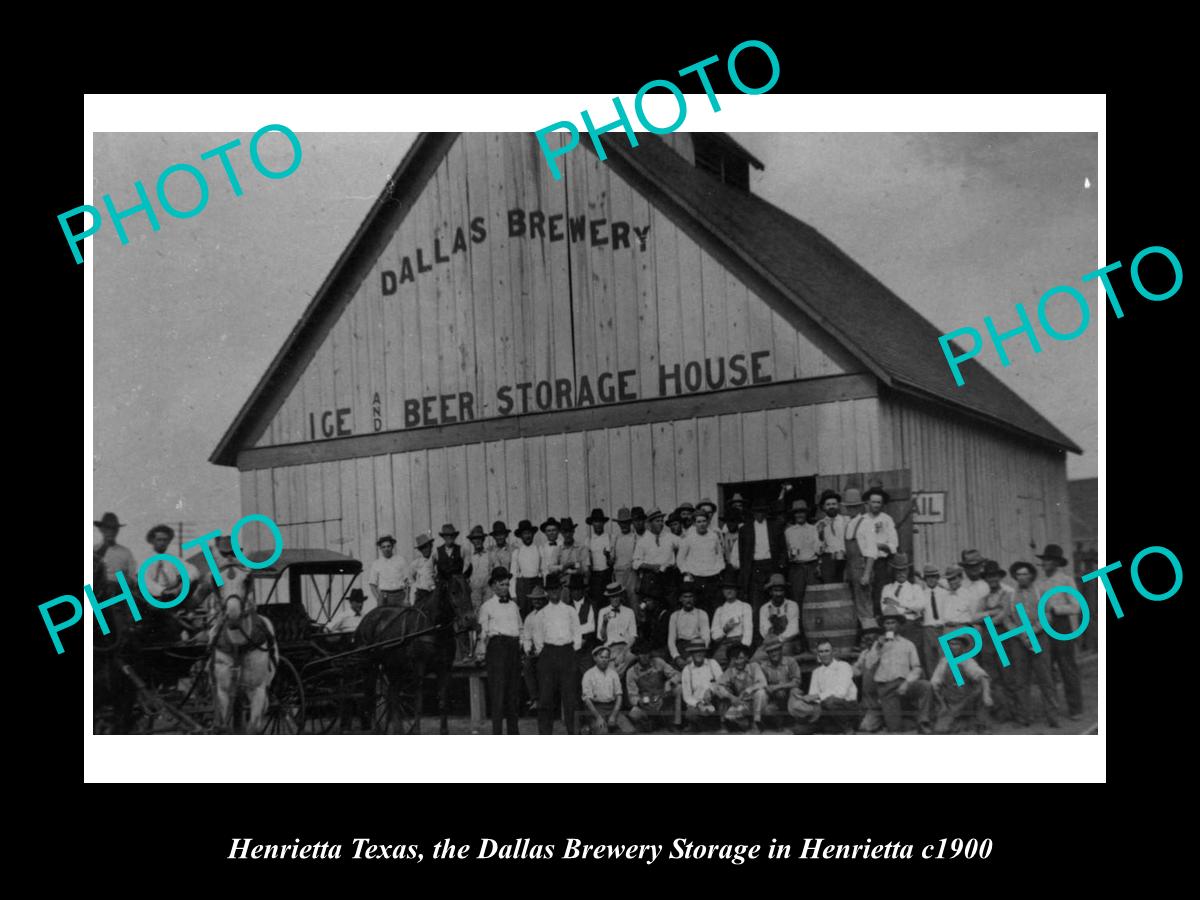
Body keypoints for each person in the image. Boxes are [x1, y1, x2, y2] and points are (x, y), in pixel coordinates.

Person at [998, 561, 1061, 728]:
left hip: (1040, 637)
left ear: (1031, 575)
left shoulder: (1041, 592)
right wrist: (1021, 634)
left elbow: (1048, 615)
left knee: (1045, 678)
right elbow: (1006, 619)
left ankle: (1052, 716)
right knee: (1021, 680)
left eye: (1025, 574)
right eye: (1019, 574)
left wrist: (1034, 630)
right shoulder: (1010, 596)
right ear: (1015, 577)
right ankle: (1024, 716)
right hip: (1019, 641)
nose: (1022, 577)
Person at [855, 607, 933, 734]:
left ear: (899, 625)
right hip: (886, 689)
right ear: (883, 626)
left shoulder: (907, 644)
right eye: (887, 623)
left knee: (926, 686)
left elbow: (917, 668)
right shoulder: (877, 644)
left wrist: (907, 682)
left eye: (893, 622)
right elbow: (869, 665)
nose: (890, 626)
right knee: (895, 729)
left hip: (904, 685)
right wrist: (879, 646)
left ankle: (923, 720)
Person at [1035, 542, 1083, 719]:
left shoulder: (1066, 580)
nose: (1045, 563)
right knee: (1047, 668)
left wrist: (1056, 610)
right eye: (1044, 560)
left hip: (1062, 626)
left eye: (1048, 560)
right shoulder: (1039, 583)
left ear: (1056, 562)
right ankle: (1051, 710)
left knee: (1067, 667)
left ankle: (1075, 708)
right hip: (1043, 626)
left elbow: (1077, 607)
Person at [529, 581, 582, 734]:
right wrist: (543, 651)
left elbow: (577, 632)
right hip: (548, 654)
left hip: (567, 653)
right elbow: (537, 636)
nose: (554, 592)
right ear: (547, 592)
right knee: (546, 698)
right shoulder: (542, 614)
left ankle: (574, 733)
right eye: (551, 590)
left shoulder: (570, 611)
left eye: (556, 589)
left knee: (570, 699)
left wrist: (573, 649)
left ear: (561, 590)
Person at [476, 567, 523, 734]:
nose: (506, 587)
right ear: (494, 585)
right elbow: (483, 633)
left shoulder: (513, 606)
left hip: (513, 650)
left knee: (513, 695)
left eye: (507, 584)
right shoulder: (487, 606)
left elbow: (520, 628)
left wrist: (521, 646)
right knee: (498, 695)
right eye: (502, 584)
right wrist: (481, 652)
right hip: (497, 649)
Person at [977, 559, 1020, 721]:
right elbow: (975, 616)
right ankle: (1000, 711)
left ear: (999, 577)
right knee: (992, 675)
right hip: (988, 639)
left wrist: (988, 617)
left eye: (994, 576)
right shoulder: (984, 598)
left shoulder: (1008, 594)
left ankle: (1015, 711)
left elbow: (1004, 615)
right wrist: (990, 613)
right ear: (986, 579)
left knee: (1008, 675)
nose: (992, 579)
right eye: (989, 577)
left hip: (1003, 637)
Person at [930, 634, 994, 734]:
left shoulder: (967, 660)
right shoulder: (943, 662)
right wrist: (942, 704)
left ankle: (980, 723)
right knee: (941, 730)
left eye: (957, 644)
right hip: (949, 701)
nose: (953, 647)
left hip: (967, 699)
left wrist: (986, 695)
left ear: (962, 647)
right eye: (951, 644)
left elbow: (983, 677)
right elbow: (934, 684)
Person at [738, 499, 785, 622]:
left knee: (774, 601)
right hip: (755, 568)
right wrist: (745, 575)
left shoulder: (775, 526)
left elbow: (782, 549)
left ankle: (776, 632)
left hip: (771, 566)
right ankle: (758, 637)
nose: (759, 515)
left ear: (766, 512)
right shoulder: (745, 529)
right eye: (757, 512)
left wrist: (780, 567)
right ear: (753, 513)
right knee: (756, 603)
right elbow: (743, 556)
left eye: (762, 512)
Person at [797, 639, 858, 733]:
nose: (824, 654)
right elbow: (813, 695)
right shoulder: (816, 672)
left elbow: (841, 693)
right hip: (826, 709)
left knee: (830, 701)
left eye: (827, 651)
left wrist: (818, 696)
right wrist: (807, 700)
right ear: (818, 655)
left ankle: (848, 729)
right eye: (821, 652)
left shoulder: (843, 666)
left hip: (847, 706)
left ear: (832, 652)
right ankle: (832, 727)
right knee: (799, 729)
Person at [676, 508, 725, 616]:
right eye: (699, 522)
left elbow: (719, 556)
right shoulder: (689, 538)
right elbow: (680, 559)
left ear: (707, 522)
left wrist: (719, 569)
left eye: (704, 521)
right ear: (694, 523)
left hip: (713, 577)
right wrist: (687, 572)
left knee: (714, 607)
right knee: (700, 608)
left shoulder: (714, 536)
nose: (702, 524)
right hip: (696, 578)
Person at [435, 523, 472, 661]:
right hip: (444, 588)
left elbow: (468, 564)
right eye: (446, 536)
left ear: (455, 537)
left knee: (461, 616)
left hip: (457, 585)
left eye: (451, 536)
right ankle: (446, 654)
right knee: (444, 617)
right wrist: (435, 582)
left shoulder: (461, 549)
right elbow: (429, 569)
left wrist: (461, 579)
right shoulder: (437, 551)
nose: (449, 538)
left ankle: (466, 653)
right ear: (443, 537)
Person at [625, 639, 681, 732]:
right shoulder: (631, 672)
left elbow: (677, 674)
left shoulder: (658, 662)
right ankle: (653, 722)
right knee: (634, 714)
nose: (645, 657)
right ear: (637, 655)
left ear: (650, 653)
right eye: (642, 654)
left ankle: (675, 724)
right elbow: (632, 695)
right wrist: (639, 702)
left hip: (662, 698)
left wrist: (669, 683)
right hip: (646, 702)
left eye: (647, 653)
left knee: (679, 688)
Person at [879, 554, 923, 668]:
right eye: (898, 570)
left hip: (910, 627)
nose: (901, 573)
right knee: (892, 657)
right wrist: (908, 610)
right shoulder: (887, 588)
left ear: (908, 571)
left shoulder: (915, 588)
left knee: (912, 658)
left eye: (903, 570)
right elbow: (886, 609)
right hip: (892, 627)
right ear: (894, 571)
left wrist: (898, 604)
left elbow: (919, 606)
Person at [712, 644, 768, 733]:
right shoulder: (730, 671)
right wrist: (731, 697)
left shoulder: (754, 666)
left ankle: (756, 722)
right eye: (735, 659)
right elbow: (718, 686)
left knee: (761, 692)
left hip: (756, 702)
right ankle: (740, 724)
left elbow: (763, 682)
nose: (738, 662)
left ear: (746, 657)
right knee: (729, 716)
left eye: (741, 658)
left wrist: (748, 690)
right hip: (742, 703)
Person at [841, 489, 875, 633]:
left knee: (864, 606)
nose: (851, 509)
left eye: (854, 506)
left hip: (862, 569)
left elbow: (872, 552)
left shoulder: (866, 523)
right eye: (849, 506)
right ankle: (860, 638)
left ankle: (870, 636)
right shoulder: (849, 524)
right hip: (851, 570)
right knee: (853, 605)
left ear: (860, 507)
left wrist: (866, 574)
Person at [632, 509, 678, 615]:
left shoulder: (669, 537)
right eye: (657, 521)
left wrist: (678, 560)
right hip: (652, 579)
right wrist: (651, 567)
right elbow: (635, 563)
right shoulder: (643, 541)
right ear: (650, 523)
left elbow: (685, 545)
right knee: (652, 609)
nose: (661, 524)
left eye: (662, 521)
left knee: (671, 608)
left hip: (669, 577)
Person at [862, 487, 899, 615]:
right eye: (873, 502)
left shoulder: (887, 519)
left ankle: (880, 617)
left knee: (880, 591)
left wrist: (881, 545)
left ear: (882, 504)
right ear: (868, 503)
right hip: (864, 562)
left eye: (879, 502)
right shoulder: (862, 520)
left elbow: (894, 544)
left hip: (881, 562)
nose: (876, 505)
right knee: (865, 591)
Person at [581, 646, 634, 734]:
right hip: (596, 709)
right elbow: (587, 700)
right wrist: (598, 717)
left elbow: (619, 696)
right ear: (595, 658)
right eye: (601, 657)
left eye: (606, 657)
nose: (604, 660)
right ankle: (590, 729)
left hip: (612, 708)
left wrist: (613, 715)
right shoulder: (588, 675)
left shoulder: (613, 674)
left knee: (630, 731)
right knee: (603, 732)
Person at [758, 635, 803, 728]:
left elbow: (797, 682)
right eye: (770, 651)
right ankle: (780, 721)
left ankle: (797, 719)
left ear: (781, 649)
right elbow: (762, 684)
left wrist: (779, 686)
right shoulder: (764, 666)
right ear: (767, 653)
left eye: (776, 650)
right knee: (767, 710)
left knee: (795, 691)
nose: (774, 653)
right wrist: (770, 689)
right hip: (776, 698)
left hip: (790, 696)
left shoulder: (790, 662)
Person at [710, 570, 753, 664]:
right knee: (714, 664)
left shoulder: (744, 606)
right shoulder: (720, 610)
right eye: (726, 588)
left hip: (739, 643)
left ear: (736, 590)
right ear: (722, 591)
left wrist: (743, 649)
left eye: (732, 588)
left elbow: (748, 631)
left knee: (737, 663)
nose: (729, 591)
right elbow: (715, 636)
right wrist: (725, 629)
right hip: (725, 644)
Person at [784, 499, 820, 611]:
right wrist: (790, 554)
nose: (799, 515)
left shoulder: (813, 529)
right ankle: (799, 626)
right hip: (796, 568)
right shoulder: (789, 531)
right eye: (797, 512)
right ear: (794, 515)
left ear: (806, 514)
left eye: (802, 512)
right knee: (797, 598)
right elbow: (786, 551)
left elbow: (819, 549)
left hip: (811, 566)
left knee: (814, 596)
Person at [680, 641, 723, 732]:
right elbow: (687, 696)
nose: (698, 654)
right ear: (691, 653)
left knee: (723, 696)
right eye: (695, 651)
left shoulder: (712, 663)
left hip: (714, 700)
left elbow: (722, 681)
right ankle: (703, 726)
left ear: (705, 652)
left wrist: (711, 690)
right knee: (691, 714)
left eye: (701, 651)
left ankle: (720, 724)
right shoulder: (687, 670)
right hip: (698, 704)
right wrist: (698, 704)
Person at [520, 584, 550, 713]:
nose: (537, 601)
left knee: (545, 669)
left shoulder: (550, 614)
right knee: (527, 665)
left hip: (549, 651)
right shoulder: (529, 617)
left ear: (544, 599)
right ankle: (535, 699)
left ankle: (546, 702)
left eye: (539, 599)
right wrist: (527, 649)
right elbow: (526, 637)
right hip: (536, 653)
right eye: (534, 599)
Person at [597, 582, 638, 674]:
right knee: (612, 670)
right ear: (609, 598)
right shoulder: (603, 612)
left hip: (626, 649)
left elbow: (633, 637)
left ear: (620, 596)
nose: (615, 599)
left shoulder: (629, 612)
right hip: (609, 650)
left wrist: (623, 653)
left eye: (616, 596)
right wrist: (604, 623)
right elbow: (602, 638)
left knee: (631, 660)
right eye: (612, 597)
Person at [667, 582, 711, 667]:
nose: (688, 600)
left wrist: (696, 655)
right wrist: (677, 657)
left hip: (697, 647)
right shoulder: (675, 615)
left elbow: (706, 638)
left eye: (690, 596)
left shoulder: (702, 614)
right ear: (680, 599)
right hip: (680, 648)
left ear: (694, 598)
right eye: (685, 597)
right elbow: (671, 640)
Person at [757, 573, 800, 656]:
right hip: (770, 642)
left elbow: (794, 629)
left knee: (780, 655)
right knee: (756, 659)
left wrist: (779, 639)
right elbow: (764, 630)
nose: (779, 594)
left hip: (788, 641)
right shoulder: (764, 608)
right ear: (770, 592)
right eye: (776, 590)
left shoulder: (792, 605)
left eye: (781, 590)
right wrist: (771, 639)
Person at [94, 512, 137, 592]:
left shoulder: (125, 552)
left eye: (113, 528)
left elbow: (132, 577)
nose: (110, 531)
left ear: (117, 530)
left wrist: (125, 582)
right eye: (107, 528)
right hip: (96, 594)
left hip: (120, 592)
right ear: (101, 529)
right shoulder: (92, 551)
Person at [510, 519, 543, 617]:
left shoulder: (539, 549)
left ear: (533, 534)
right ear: (521, 536)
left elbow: (544, 571)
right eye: (525, 533)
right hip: (523, 588)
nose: (527, 536)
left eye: (529, 533)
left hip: (537, 585)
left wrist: (544, 590)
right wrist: (513, 595)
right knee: (524, 614)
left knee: (538, 614)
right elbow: (513, 575)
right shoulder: (517, 552)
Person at [815, 490, 848, 584]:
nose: (831, 506)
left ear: (838, 505)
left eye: (834, 504)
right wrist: (820, 534)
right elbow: (818, 550)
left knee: (846, 587)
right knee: (831, 588)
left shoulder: (846, 521)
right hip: (828, 561)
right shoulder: (819, 525)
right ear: (823, 507)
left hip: (845, 559)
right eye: (828, 504)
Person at [585, 508, 613, 611]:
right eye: (595, 522)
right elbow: (587, 563)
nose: (598, 524)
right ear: (592, 524)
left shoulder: (610, 538)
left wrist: (608, 557)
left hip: (607, 575)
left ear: (603, 523)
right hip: (595, 577)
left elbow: (612, 561)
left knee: (609, 603)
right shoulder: (588, 540)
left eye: (600, 521)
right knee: (596, 605)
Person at [611, 508, 639, 613]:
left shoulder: (635, 537)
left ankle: (636, 626)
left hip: (631, 573)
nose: (624, 525)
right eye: (622, 523)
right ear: (618, 524)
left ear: (630, 523)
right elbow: (612, 559)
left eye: (626, 523)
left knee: (633, 602)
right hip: (618, 574)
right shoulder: (615, 538)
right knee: (619, 603)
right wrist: (607, 557)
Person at [368, 534, 408, 607]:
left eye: (388, 546)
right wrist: (378, 598)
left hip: (399, 596)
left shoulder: (401, 560)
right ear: (380, 548)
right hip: (384, 597)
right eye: (383, 547)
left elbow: (407, 581)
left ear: (392, 546)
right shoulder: (376, 563)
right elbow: (372, 584)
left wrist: (406, 599)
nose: (386, 549)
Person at [557, 518, 591, 603]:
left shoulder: (582, 548)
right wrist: (567, 566)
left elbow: (586, 569)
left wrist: (567, 569)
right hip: (564, 588)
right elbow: (551, 569)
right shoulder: (558, 550)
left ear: (573, 531)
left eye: (570, 531)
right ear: (561, 533)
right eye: (565, 532)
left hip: (579, 588)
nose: (567, 535)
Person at [466, 525, 492, 617]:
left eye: (479, 538)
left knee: (488, 612)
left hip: (488, 589)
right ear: (472, 541)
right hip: (474, 590)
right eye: (475, 539)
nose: (477, 541)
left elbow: (492, 571)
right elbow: (466, 574)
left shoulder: (489, 555)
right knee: (476, 613)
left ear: (483, 540)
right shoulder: (469, 557)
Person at [406, 533, 437, 608]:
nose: (425, 550)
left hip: (435, 593)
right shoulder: (416, 563)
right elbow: (410, 579)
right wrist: (417, 585)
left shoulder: (436, 558)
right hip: (422, 593)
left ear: (431, 546)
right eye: (422, 548)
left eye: (427, 547)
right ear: (420, 550)